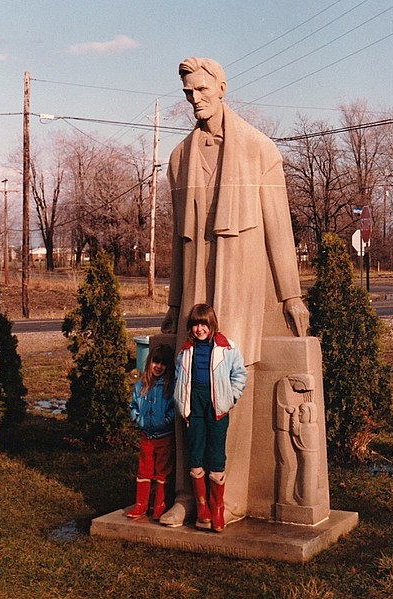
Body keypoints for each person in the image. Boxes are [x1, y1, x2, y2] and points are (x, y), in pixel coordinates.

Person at [160, 56, 309, 528]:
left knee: (230, 381)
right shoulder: (180, 157)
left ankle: (231, 496)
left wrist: (291, 295)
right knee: (190, 383)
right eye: (188, 93)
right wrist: (170, 303)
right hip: (196, 287)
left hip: (240, 278)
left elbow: (278, 230)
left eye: (202, 90)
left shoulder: (259, 150)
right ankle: (187, 493)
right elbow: (179, 241)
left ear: (222, 87)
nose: (195, 99)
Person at [174, 304, 247, 532]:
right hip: (194, 406)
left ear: (212, 325)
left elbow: (240, 374)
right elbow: (179, 377)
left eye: (204, 324)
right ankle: (202, 506)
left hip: (217, 408)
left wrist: (230, 398)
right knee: (195, 454)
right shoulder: (186, 351)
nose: (200, 329)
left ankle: (217, 508)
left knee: (216, 455)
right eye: (195, 324)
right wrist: (182, 405)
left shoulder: (227, 348)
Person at [127, 344, 175, 520]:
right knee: (144, 471)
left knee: (162, 472)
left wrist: (165, 421)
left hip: (164, 437)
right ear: (149, 362)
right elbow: (133, 405)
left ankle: (159, 505)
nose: (158, 366)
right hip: (146, 436)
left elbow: (173, 408)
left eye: (163, 363)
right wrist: (136, 417)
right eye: (156, 361)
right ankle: (141, 504)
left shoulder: (169, 386)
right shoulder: (141, 385)